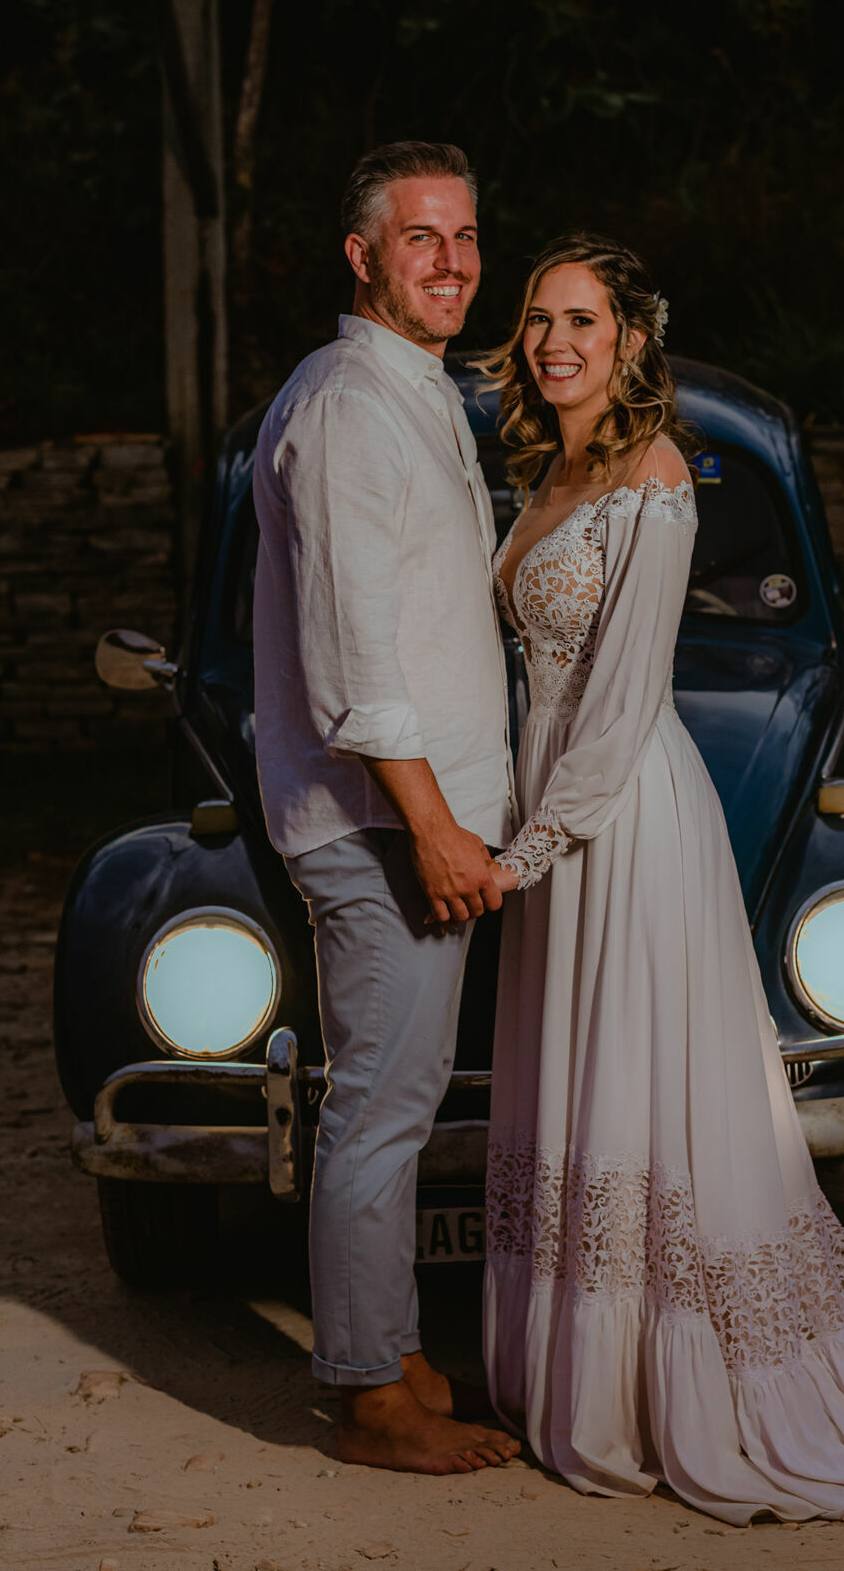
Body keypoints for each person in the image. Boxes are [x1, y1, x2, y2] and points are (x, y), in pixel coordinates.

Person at [479, 233, 844, 1524]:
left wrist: (525, 851)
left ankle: (659, 1391)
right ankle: (579, 1382)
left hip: (621, 819)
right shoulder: (548, 472)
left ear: (632, 340)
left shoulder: (654, 477)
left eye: (582, 321)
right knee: (582, 1082)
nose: (556, 343)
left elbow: (624, 698)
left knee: (639, 1083)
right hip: (557, 814)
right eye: (538, 320)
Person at [252, 141, 521, 1475]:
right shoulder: (350, 409)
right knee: (378, 1113)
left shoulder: (414, 389)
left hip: (409, 823)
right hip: (381, 830)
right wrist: (434, 827)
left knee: (399, 1102)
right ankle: (370, 1398)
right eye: (421, 237)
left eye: (465, 236)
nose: (452, 261)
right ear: (363, 256)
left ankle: (394, 1346)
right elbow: (355, 666)